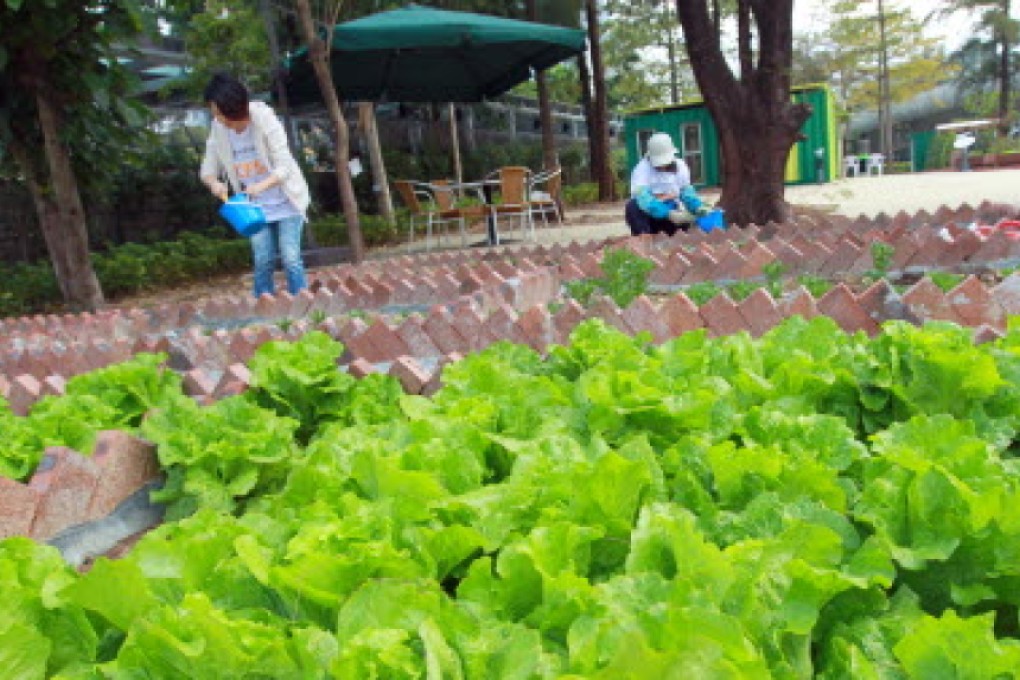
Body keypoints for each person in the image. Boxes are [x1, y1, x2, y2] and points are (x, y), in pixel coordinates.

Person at [200, 72, 311, 298]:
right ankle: (264, 307)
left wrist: (259, 187)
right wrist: (214, 184)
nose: (216, 116)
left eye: (218, 111)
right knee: (263, 260)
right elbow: (208, 169)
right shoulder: (218, 128)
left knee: (291, 258)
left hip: (286, 200)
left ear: (232, 108)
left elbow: (284, 166)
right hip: (252, 209)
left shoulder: (264, 119)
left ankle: (303, 304)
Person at [626, 132, 707, 236]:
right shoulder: (641, 169)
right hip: (649, 218)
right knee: (632, 207)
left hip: (671, 215)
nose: (662, 166)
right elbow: (643, 199)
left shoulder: (681, 166)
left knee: (685, 223)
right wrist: (667, 213)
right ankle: (644, 240)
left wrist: (698, 207)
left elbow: (686, 192)